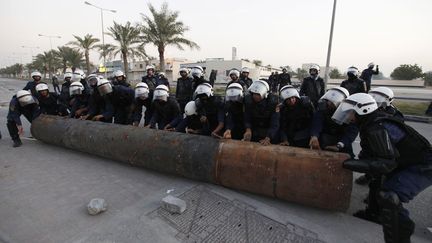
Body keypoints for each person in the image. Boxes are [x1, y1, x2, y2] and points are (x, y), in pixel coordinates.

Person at [334, 93, 432, 243]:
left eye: (351, 112)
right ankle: (374, 215)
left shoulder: (377, 128)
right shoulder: (370, 123)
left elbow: (385, 164)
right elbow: (371, 154)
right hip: (406, 161)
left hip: (423, 165)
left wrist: (348, 163)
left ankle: (400, 236)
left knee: (390, 196)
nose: (348, 116)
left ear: (363, 111)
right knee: (377, 181)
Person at [355, 87, 404, 186]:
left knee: (382, 163)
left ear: (388, 100)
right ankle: (369, 176)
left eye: (377, 98)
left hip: (386, 145)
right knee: (368, 156)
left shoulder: (394, 114)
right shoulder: (370, 110)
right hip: (371, 141)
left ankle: (377, 188)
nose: (375, 100)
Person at [309, 87, 357, 158]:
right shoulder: (323, 108)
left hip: (342, 141)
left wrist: (340, 145)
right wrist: (314, 136)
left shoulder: (349, 112)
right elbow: (317, 122)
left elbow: (352, 131)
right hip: (325, 139)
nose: (329, 103)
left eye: (333, 102)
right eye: (329, 101)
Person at [243, 80, 280, 145]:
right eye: (253, 93)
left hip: (269, 134)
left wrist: (268, 137)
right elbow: (247, 117)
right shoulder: (249, 101)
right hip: (255, 132)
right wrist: (248, 129)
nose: (255, 96)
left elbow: (275, 123)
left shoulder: (273, 103)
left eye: (257, 94)